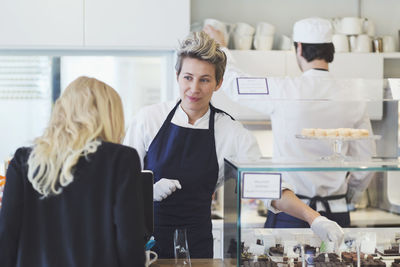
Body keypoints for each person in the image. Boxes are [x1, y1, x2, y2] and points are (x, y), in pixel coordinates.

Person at [124, 31, 344, 259]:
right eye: (188, 77)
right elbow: (120, 185)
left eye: (205, 80)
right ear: (177, 75)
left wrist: (314, 218)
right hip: (147, 248)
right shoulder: (147, 120)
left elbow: (270, 187)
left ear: (218, 83)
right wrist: (147, 191)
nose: (194, 88)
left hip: (198, 248)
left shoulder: (231, 133)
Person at [204, 17, 376, 228]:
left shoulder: (284, 90)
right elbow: (366, 161)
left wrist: (220, 47)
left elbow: (236, 85)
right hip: (336, 213)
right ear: (331, 49)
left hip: (290, 211)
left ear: (299, 48)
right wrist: (349, 196)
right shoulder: (354, 95)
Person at [0, 76, 146, 267]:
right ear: (110, 116)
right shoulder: (121, 159)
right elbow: (130, 242)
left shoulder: (24, 160)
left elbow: (6, 238)